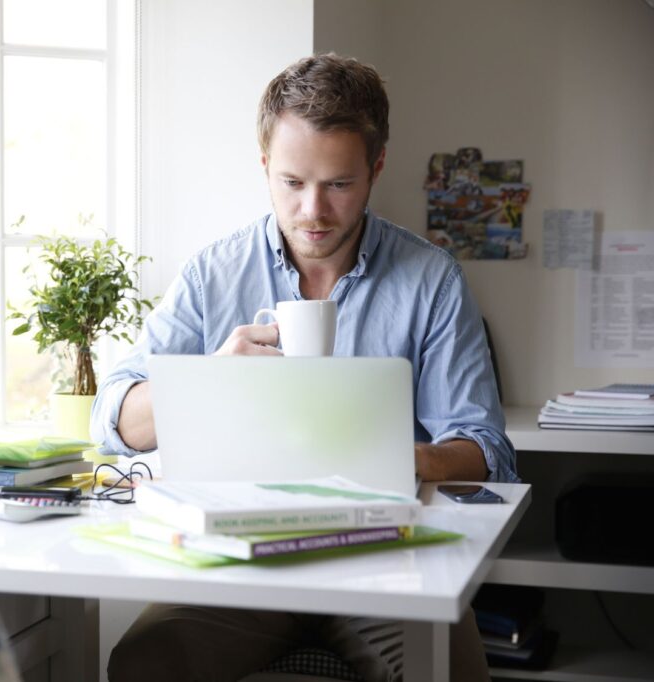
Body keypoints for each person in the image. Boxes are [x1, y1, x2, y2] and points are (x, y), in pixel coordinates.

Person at [91, 53, 517, 682]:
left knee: (451, 674)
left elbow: (488, 451)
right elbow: (112, 419)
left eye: (338, 184)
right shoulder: (214, 274)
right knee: (141, 664)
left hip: (386, 558)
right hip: (240, 562)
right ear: (265, 165)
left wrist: (409, 459)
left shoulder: (432, 280)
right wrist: (209, 379)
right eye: (292, 182)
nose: (313, 210)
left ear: (375, 169)